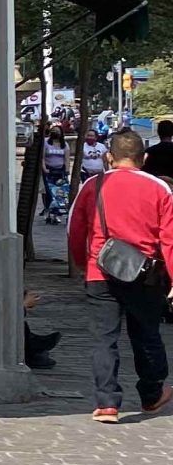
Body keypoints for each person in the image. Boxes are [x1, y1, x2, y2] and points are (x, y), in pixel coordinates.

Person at [65, 124, 173, 424]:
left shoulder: (93, 186)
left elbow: (75, 230)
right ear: (144, 159)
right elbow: (170, 240)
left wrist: (79, 262)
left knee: (104, 338)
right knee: (147, 334)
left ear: (109, 158)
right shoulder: (159, 188)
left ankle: (107, 403)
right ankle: (151, 395)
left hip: (100, 270)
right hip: (146, 275)